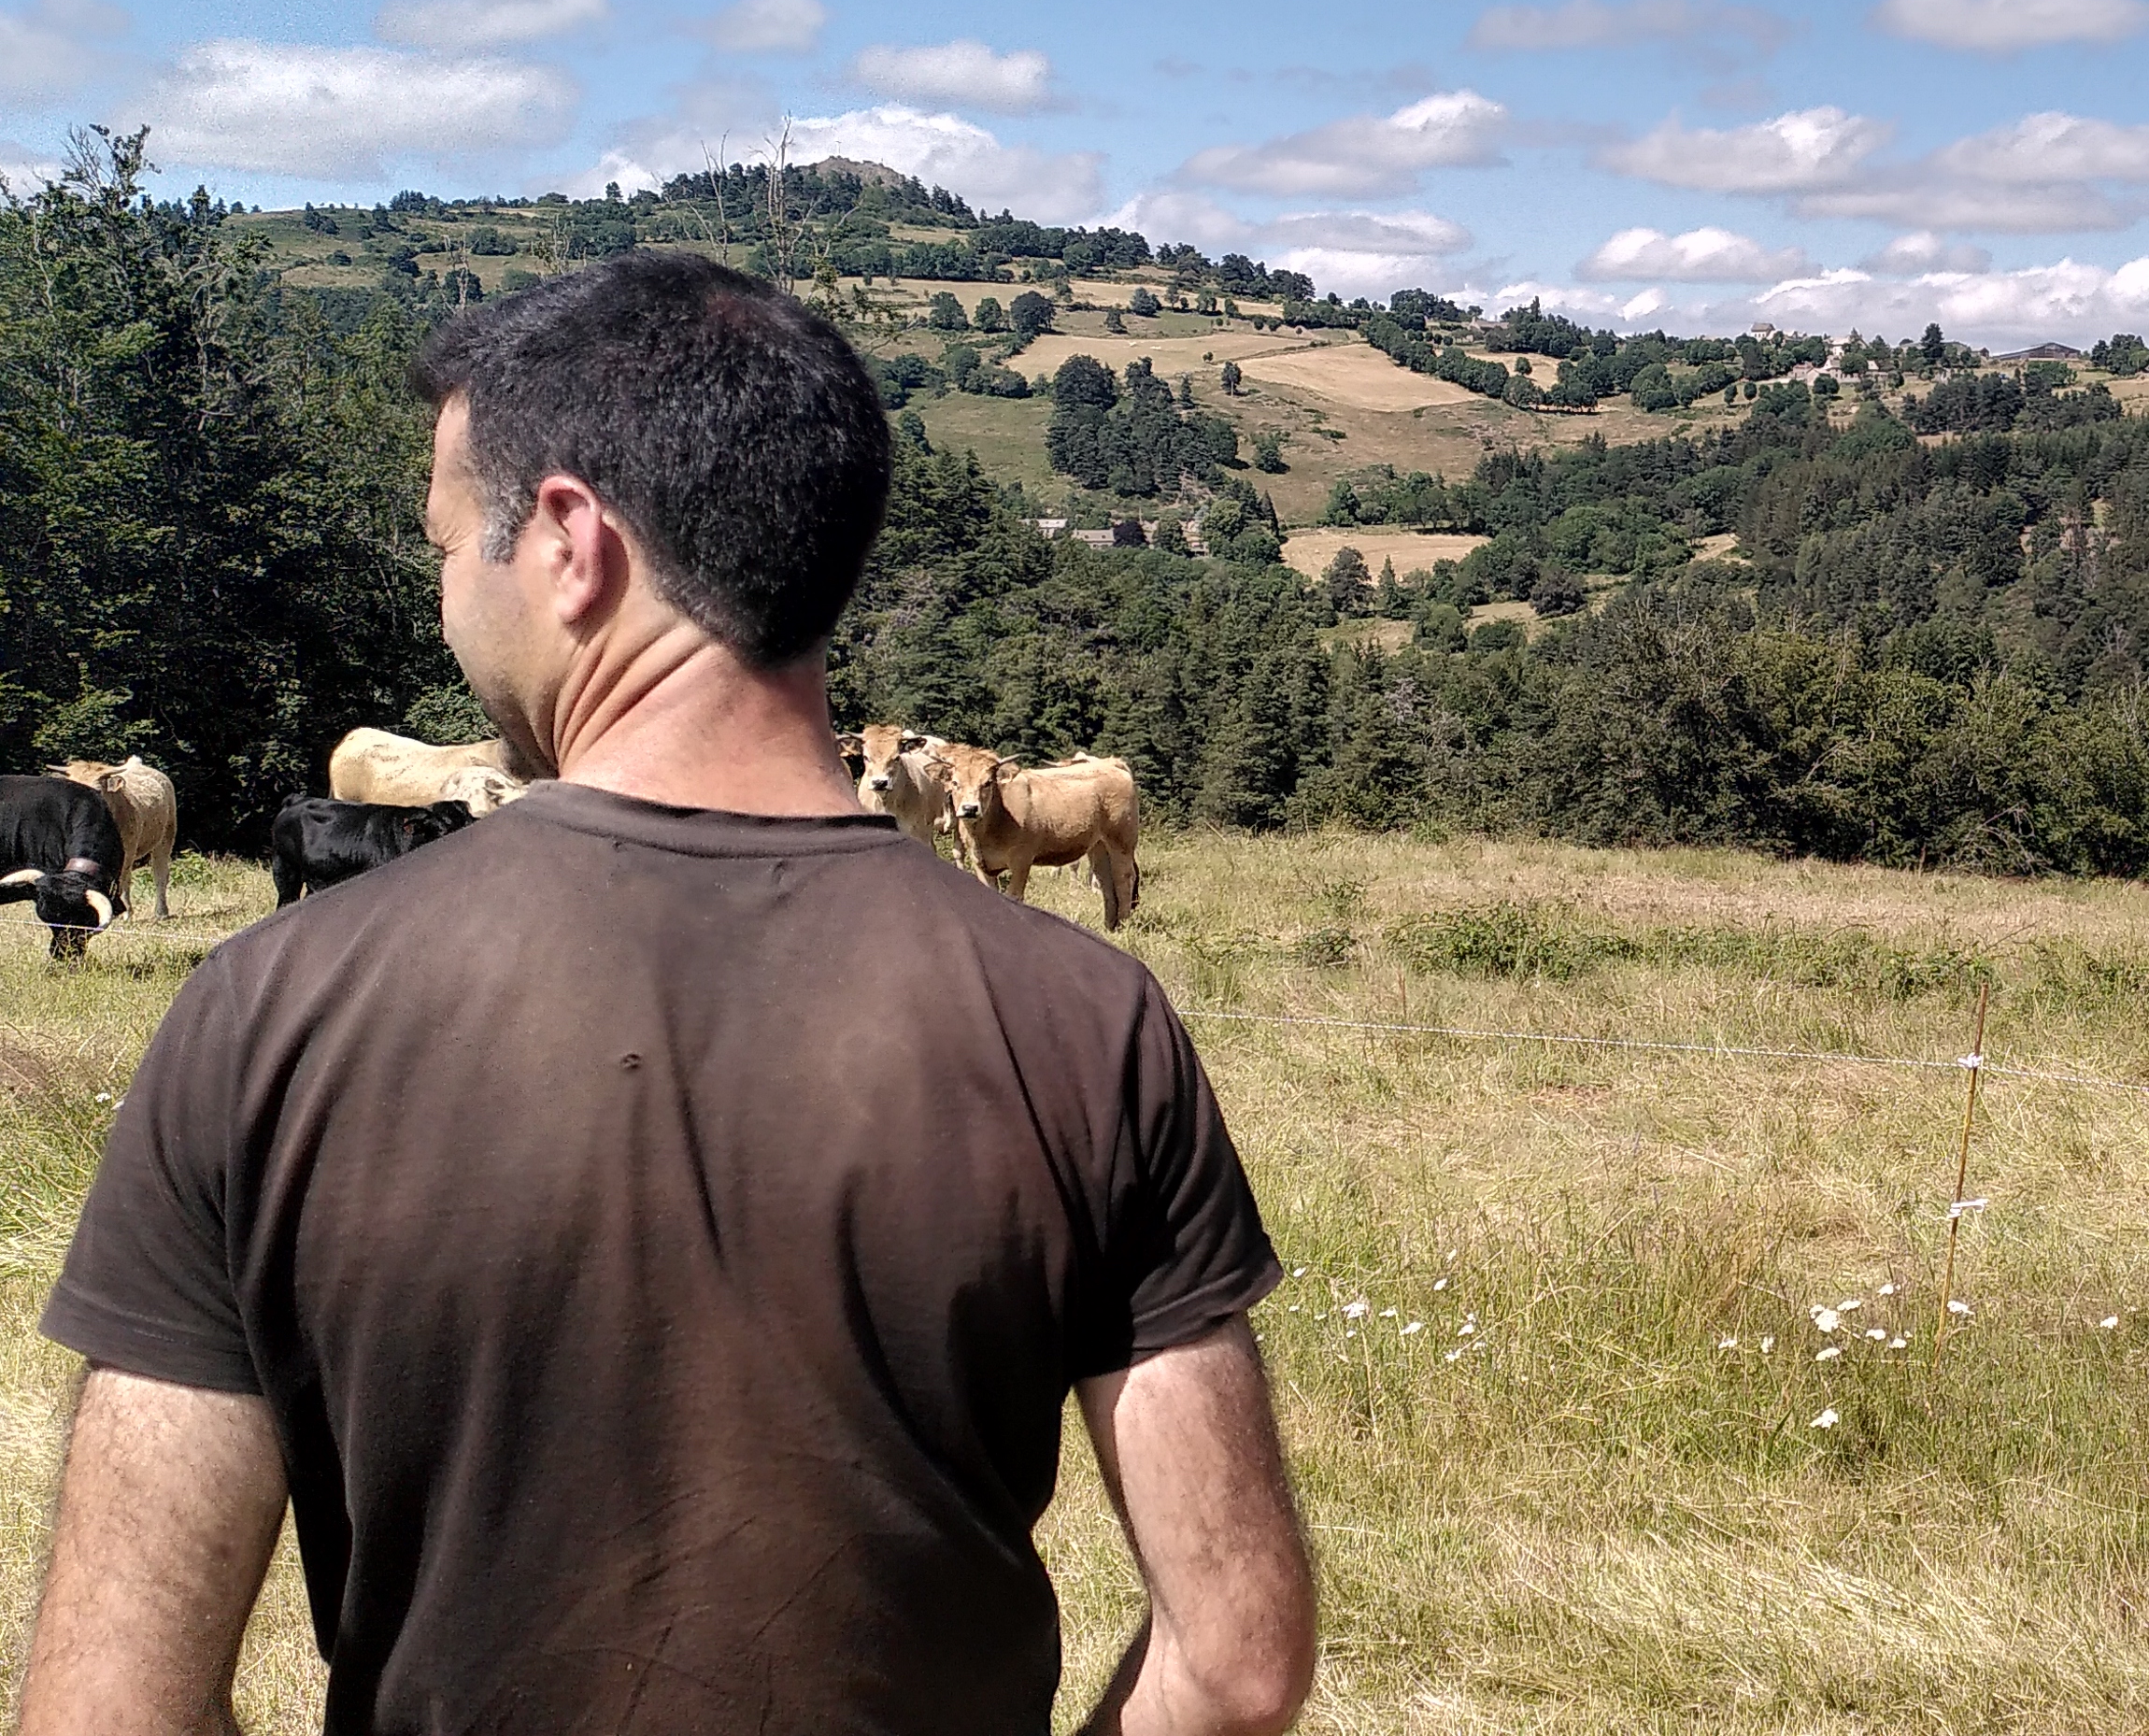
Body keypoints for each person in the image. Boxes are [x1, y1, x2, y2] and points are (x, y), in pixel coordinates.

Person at [23, 252, 1316, 1736]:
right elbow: (1237, 1659)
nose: (446, 595)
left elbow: (110, 1711)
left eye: (451, 546)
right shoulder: (1090, 1020)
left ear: (570, 542)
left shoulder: (268, 1017)